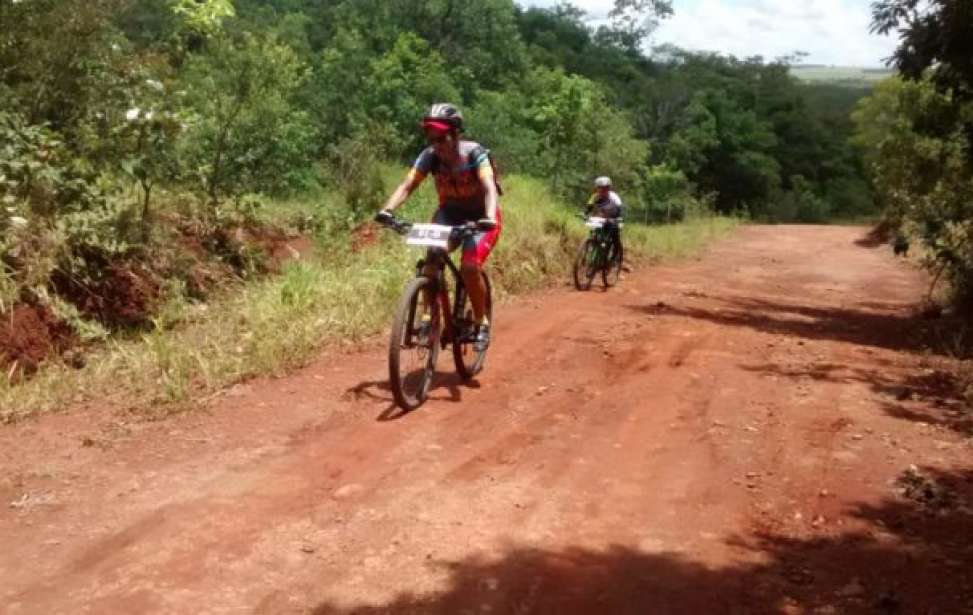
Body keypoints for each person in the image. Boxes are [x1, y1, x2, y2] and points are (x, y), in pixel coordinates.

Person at [375, 103, 500, 352]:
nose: (436, 143)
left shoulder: (475, 154)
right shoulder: (429, 156)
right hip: (449, 214)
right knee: (431, 262)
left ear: (455, 134)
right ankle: (427, 317)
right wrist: (387, 210)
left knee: (469, 266)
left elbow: (488, 186)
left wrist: (488, 216)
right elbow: (408, 184)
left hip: (481, 215)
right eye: (431, 137)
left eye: (441, 137)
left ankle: (480, 321)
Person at [586, 176, 623, 266]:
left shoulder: (614, 197)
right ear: (597, 188)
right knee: (596, 232)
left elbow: (620, 210)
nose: (602, 191)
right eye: (600, 188)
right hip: (602, 218)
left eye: (605, 188)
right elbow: (589, 207)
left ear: (609, 188)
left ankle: (614, 257)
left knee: (615, 236)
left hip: (614, 218)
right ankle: (596, 252)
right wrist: (585, 214)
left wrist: (616, 218)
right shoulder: (595, 197)